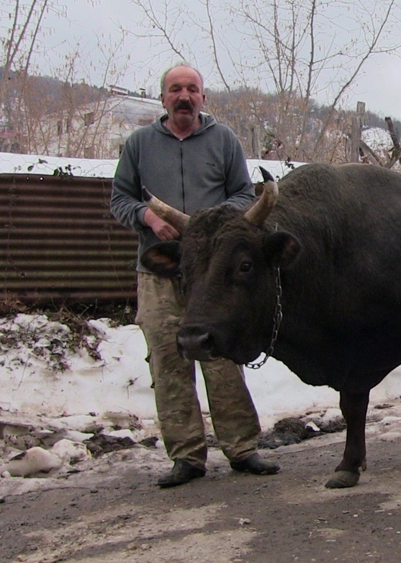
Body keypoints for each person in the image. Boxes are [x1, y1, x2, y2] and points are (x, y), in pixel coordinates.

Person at [111, 63, 279, 488]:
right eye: (174, 90)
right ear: (163, 98)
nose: (183, 96)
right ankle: (186, 456)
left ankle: (242, 449)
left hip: (214, 275)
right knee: (169, 360)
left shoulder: (223, 140)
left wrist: (212, 227)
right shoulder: (139, 144)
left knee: (222, 356)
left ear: (203, 98)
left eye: (192, 89)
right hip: (160, 270)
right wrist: (147, 216)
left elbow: (244, 193)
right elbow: (119, 199)